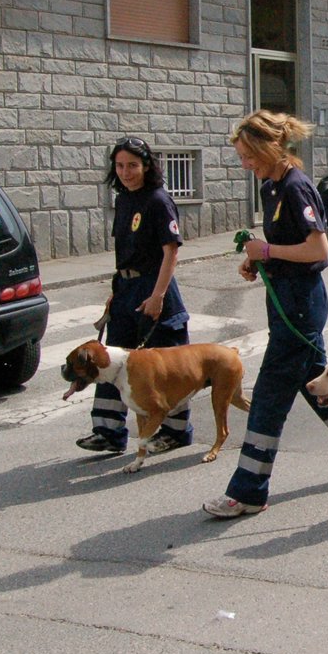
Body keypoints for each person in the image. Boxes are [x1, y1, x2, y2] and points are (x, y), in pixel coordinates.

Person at [204, 110, 328, 519]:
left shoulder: (295, 186)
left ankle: (248, 491)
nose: (244, 165)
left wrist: (267, 252)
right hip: (285, 301)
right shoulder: (270, 186)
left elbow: (318, 251)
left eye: (247, 156)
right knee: (318, 389)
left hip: (301, 307)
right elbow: (285, 246)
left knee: (269, 398)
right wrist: (259, 262)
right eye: (241, 158)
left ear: (268, 147)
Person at [77, 137, 194, 456]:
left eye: (132, 165)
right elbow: (125, 251)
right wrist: (115, 294)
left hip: (154, 289)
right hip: (126, 291)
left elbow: (170, 252)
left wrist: (157, 296)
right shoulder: (124, 199)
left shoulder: (158, 200)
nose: (126, 172)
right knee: (112, 361)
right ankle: (108, 431)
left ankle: (176, 431)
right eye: (120, 166)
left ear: (146, 166)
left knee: (167, 366)